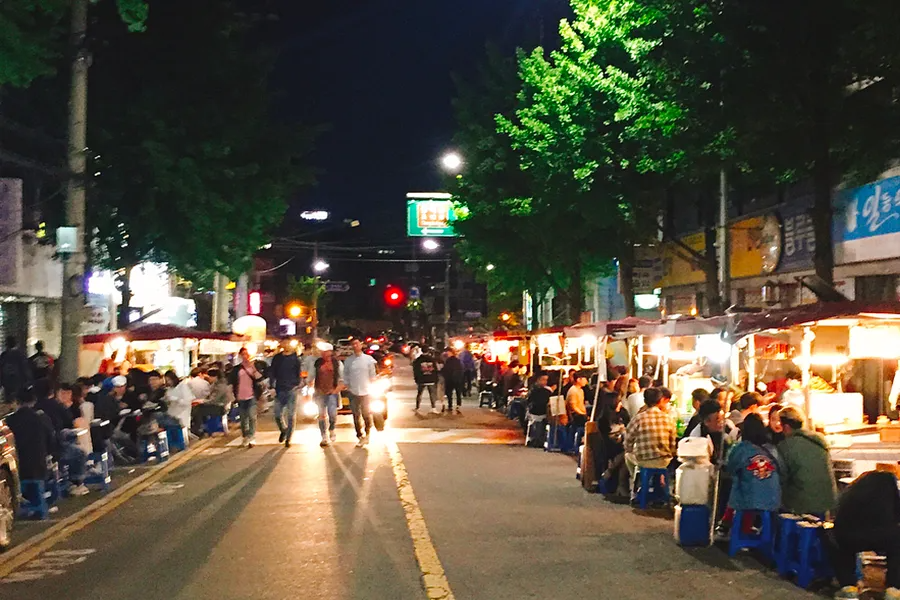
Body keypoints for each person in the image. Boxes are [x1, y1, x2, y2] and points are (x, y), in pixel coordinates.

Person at [828, 470, 900, 600]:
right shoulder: (889, 493)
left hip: (848, 536)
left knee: (839, 542)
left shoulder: (849, 496)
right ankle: (893, 589)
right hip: (883, 536)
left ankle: (848, 587)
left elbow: (837, 517)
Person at [719, 413, 781, 538]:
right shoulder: (772, 449)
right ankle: (747, 527)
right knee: (750, 483)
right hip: (773, 499)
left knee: (739, 483)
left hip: (747, 501)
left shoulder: (742, 449)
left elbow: (731, 468)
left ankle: (730, 523)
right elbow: (781, 470)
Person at [777, 406, 837, 516]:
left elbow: (781, 478)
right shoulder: (819, 441)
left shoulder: (786, 446)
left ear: (786, 427)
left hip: (802, 505)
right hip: (827, 500)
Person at [623, 387, 677, 499]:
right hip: (664, 461)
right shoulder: (668, 418)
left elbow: (628, 440)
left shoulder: (638, 418)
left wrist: (630, 448)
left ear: (645, 401)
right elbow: (673, 443)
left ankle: (638, 482)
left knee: (627, 456)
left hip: (644, 460)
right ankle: (659, 488)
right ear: (660, 400)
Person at [39, 383, 90, 495]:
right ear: (53, 392)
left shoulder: (34, 409)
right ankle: (76, 482)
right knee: (79, 452)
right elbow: (69, 421)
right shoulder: (56, 405)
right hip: (54, 448)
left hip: (37, 450)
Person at [5, 387, 56, 484]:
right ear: (34, 401)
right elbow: (51, 440)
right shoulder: (41, 418)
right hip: (39, 467)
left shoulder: (10, 421)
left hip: (20, 468)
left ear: (17, 401)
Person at [344, 339, 378, 447]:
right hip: (353, 391)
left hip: (366, 391)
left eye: (357, 344)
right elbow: (346, 375)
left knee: (366, 414)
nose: (355, 346)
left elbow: (373, 374)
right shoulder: (349, 361)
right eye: (353, 344)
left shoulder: (368, 359)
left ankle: (367, 433)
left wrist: (373, 382)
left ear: (361, 345)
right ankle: (359, 435)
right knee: (355, 415)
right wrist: (346, 385)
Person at [309, 344, 343, 447]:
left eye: (326, 351)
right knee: (321, 415)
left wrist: (337, 389)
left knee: (332, 413)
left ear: (330, 352)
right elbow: (311, 375)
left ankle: (332, 429)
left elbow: (342, 378)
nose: (323, 353)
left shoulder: (337, 363)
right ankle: (323, 436)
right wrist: (308, 383)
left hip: (332, 392)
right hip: (319, 392)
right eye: (322, 351)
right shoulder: (317, 363)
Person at [269, 341, 302, 447]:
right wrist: (271, 386)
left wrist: (297, 384)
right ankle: (283, 429)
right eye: (284, 343)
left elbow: (299, 373)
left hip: (291, 389)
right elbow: (272, 372)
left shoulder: (295, 358)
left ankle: (289, 438)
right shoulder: (277, 358)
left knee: (291, 415)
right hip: (279, 389)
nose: (286, 345)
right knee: (277, 414)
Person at [230, 347, 264, 448]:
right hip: (240, 396)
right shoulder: (237, 369)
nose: (245, 356)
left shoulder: (254, 366)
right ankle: (245, 437)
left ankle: (251, 437)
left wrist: (253, 369)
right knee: (243, 419)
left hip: (251, 395)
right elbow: (232, 382)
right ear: (240, 355)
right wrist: (233, 396)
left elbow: (260, 378)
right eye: (243, 354)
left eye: (247, 354)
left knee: (252, 417)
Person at [0, 336, 30, 403]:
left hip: (7, 382)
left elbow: (1, 370)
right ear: (16, 344)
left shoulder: (4, 355)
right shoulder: (20, 354)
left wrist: (1, 382)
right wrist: (28, 382)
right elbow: (25, 369)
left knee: (9, 401)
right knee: (18, 401)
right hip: (19, 382)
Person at [412, 348, 440, 414]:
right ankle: (433, 408)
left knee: (419, 393)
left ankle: (417, 407)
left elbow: (415, 370)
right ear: (428, 351)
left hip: (422, 379)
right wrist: (436, 379)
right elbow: (436, 370)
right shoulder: (432, 359)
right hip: (431, 379)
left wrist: (416, 379)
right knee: (432, 394)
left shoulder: (418, 360)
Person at [441, 348, 465, 414]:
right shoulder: (458, 360)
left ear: (450, 352)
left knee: (449, 393)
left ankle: (450, 406)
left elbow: (446, 369)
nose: (446, 353)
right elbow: (461, 369)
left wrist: (442, 373)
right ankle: (458, 406)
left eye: (447, 352)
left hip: (450, 379)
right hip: (457, 379)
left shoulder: (448, 361)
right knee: (458, 393)